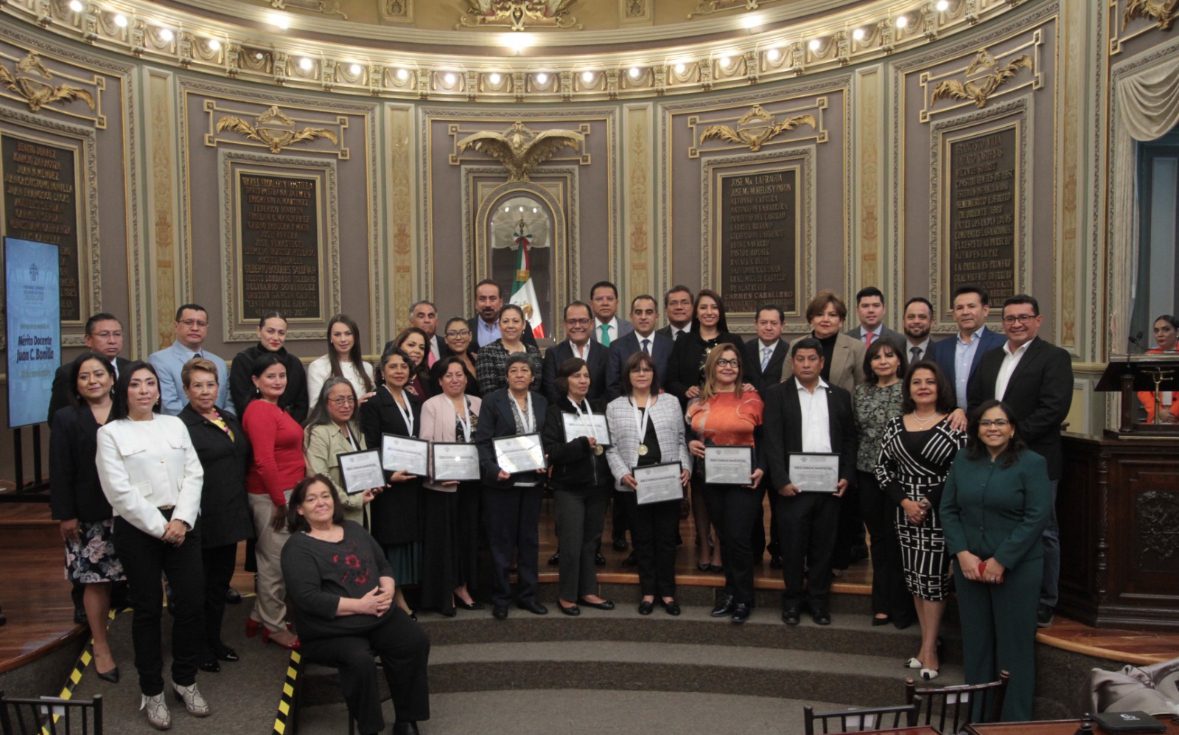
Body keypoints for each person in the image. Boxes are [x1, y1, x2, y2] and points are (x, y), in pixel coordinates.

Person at [95, 362, 208, 729]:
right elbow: (119, 492)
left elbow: (194, 473)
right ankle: (152, 690)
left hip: (183, 523)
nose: (144, 390)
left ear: (159, 390)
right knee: (147, 610)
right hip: (139, 529)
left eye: (150, 383)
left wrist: (182, 520)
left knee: (191, 603)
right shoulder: (110, 433)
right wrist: (162, 528)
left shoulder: (175, 424)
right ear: (123, 390)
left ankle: (185, 679)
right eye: (136, 384)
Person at [281, 475, 430, 735]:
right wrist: (361, 606)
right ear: (299, 509)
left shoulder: (353, 529)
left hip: (377, 615)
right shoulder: (297, 547)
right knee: (359, 661)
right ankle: (370, 728)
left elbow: (382, 565)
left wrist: (388, 589)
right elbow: (308, 598)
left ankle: (407, 718)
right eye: (311, 499)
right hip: (330, 630)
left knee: (414, 640)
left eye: (325, 496)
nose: (321, 502)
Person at [941, 400, 1052, 721]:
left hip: (1017, 570)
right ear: (977, 429)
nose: (993, 428)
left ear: (1012, 429)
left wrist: (1001, 560)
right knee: (976, 646)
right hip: (969, 568)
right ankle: (978, 720)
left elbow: (1037, 516)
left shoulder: (1032, 463)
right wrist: (961, 553)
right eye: (986, 423)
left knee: (1014, 649)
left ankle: (1014, 723)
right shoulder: (963, 460)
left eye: (1000, 422)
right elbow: (948, 509)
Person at [968, 294, 1073, 628]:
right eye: (1010, 318)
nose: (1016, 324)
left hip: (1035, 458)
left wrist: (1007, 438)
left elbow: (1053, 409)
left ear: (1038, 321)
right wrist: (991, 439)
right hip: (990, 459)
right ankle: (1000, 588)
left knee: (1043, 530)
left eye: (1023, 317)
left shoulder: (1054, 358)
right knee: (997, 525)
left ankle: (1044, 600)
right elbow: (976, 402)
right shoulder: (989, 359)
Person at [874, 361, 967, 681]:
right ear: (909, 389)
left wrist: (925, 502)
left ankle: (929, 650)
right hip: (905, 512)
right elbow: (883, 469)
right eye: (917, 382)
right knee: (915, 579)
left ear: (940, 387)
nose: (923, 387)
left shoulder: (954, 424)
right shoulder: (894, 424)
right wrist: (905, 502)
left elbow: (959, 471)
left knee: (933, 580)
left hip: (939, 512)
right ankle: (927, 643)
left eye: (930, 381)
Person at [762, 338, 857, 627]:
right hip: (792, 488)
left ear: (821, 362)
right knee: (792, 547)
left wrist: (846, 475)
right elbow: (772, 440)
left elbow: (849, 439)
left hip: (829, 487)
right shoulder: (777, 394)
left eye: (811, 359)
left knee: (823, 547)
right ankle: (792, 600)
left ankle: (818, 601)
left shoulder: (840, 396)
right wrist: (780, 480)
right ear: (792, 363)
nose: (806, 364)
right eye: (800, 359)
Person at [50, 352, 125, 683]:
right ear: (76, 384)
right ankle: (101, 646)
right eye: (84, 376)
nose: (93, 381)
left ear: (112, 378)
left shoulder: (128, 411)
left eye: (99, 374)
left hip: (131, 512)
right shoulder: (66, 418)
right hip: (88, 514)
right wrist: (65, 515)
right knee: (96, 582)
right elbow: (60, 469)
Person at [178, 357, 254, 674]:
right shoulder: (181, 426)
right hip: (201, 519)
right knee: (198, 589)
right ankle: (197, 647)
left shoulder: (228, 418)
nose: (205, 391)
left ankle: (214, 640)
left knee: (219, 586)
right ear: (186, 389)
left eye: (210, 384)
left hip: (230, 516)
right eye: (198, 385)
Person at [605, 352, 692, 615]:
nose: (642, 374)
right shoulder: (615, 406)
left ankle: (667, 593)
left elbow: (681, 440)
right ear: (628, 375)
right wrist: (622, 474)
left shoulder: (671, 402)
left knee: (666, 539)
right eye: (636, 370)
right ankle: (648, 592)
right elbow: (611, 448)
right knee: (642, 539)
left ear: (654, 374)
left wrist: (686, 467)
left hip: (667, 481)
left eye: (646, 369)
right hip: (634, 484)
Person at [665, 288, 743, 572]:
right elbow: (670, 379)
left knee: (723, 485)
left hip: (728, 421)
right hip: (695, 421)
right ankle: (703, 543)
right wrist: (684, 389)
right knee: (699, 486)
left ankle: (720, 545)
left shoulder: (733, 341)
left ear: (720, 312)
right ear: (696, 312)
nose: (709, 312)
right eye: (703, 307)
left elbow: (745, 376)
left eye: (714, 307)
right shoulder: (684, 341)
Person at [686, 346, 765, 624]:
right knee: (724, 536)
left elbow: (766, 437)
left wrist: (762, 467)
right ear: (711, 366)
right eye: (722, 362)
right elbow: (688, 433)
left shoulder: (752, 397)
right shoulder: (697, 400)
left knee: (739, 538)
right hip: (711, 477)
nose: (728, 367)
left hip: (745, 478)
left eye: (733, 362)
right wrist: (690, 443)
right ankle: (730, 593)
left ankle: (744, 598)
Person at [474, 353, 549, 620]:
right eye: (514, 370)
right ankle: (501, 597)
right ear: (506, 376)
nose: (519, 374)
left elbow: (545, 438)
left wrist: (545, 460)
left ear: (532, 376)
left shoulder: (541, 401)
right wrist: (494, 470)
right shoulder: (492, 401)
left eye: (524, 370)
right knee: (501, 542)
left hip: (532, 482)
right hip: (502, 482)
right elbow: (483, 441)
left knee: (529, 541)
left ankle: (528, 596)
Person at [542, 358, 615, 616]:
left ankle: (588, 591)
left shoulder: (598, 408)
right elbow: (551, 451)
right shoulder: (555, 411)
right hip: (569, 487)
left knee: (591, 542)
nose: (583, 380)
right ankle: (567, 595)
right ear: (565, 381)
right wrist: (581, 445)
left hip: (598, 486)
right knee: (571, 543)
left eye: (586, 375)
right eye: (576, 376)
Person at [241, 353, 305, 651]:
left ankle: (259, 616)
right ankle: (275, 627)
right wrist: (280, 502)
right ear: (256, 380)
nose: (278, 381)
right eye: (270, 376)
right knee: (274, 564)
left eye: (281, 375)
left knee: (277, 557)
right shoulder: (259, 411)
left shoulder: (274, 408)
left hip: (287, 493)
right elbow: (264, 461)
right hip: (272, 496)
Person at [852, 340, 913, 629]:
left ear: (899, 360)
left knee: (899, 540)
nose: (883, 361)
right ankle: (881, 604)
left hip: (902, 476)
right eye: (876, 357)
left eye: (889, 356)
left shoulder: (910, 390)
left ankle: (901, 605)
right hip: (868, 474)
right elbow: (855, 431)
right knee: (877, 539)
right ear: (870, 364)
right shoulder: (860, 391)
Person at [360, 349, 424, 618]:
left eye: (403, 366)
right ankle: (395, 597)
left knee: (409, 540)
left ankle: (405, 591)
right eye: (393, 366)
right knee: (392, 541)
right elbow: (370, 445)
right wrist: (387, 476)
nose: (399, 371)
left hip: (414, 482)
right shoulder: (374, 403)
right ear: (383, 372)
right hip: (390, 486)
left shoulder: (415, 400)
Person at [419, 357, 484, 614]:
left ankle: (464, 585)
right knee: (446, 540)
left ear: (467, 378)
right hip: (444, 484)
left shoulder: (478, 403)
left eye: (459, 374)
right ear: (440, 381)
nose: (455, 379)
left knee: (468, 537)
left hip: (473, 484)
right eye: (449, 375)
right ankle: (445, 591)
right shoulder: (431, 405)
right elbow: (426, 444)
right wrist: (436, 475)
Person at [304, 378, 378, 527]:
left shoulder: (355, 427)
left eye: (350, 399)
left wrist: (375, 481)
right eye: (339, 400)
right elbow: (320, 477)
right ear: (325, 402)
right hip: (336, 514)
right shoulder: (317, 432)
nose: (346, 405)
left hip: (363, 510)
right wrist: (352, 500)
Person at [930, 285, 1005, 410]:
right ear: (954, 315)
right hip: (950, 418)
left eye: (971, 306)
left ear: (985, 310)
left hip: (987, 418)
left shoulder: (1002, 344)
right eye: (959, 308)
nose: (965, 312)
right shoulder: (940, 349)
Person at [150, 304, 233, 416]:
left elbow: (230, 403)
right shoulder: (159, 361)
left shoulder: (219, 363)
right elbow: (169, 406)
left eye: (201, 324)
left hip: (221, 424)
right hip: (182, 425)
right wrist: (206, 422)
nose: (195, 328)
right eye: (188, 322)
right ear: (176, 326)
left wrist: (223, 421)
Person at [49, 313, 131, 422]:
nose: (112, 340)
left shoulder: (130, 369)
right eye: (104, 335)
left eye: (117, 334)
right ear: (88, 340)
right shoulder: (68, 373)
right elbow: (57, 419)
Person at [230, 311, 309, 423]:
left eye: (281, 333)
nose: (276, 337)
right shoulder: (243, 361)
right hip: (254, 425)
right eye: (270, 331)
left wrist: (287, 427)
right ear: (259, 331)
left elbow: (302, 405)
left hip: (290, 426)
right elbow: (241, 403)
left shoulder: (294, 363)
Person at [606, 294, 674, 401]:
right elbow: (612, 386)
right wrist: (627, 406)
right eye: (638, 312)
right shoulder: (617, 347)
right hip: (626, 407)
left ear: (657, 316)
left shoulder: (670, 345)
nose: (643, 317)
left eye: (649, 312)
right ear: (631, 316)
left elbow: (673, 383)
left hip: (663, 406)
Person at [542, 301, 608, 404]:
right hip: (563, 412)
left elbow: (608, 389)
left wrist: (589, 409)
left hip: (598, 411)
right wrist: (572, 409)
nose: (577, 326)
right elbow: (550, 390)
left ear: (591, 324)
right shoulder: (553, 354)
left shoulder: (605, 353)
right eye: (572, 321)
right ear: (565, 324)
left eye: (583, 321)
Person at [306, 314, 376, 410]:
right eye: (337, 334)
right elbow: (315, 405)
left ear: (355, 337)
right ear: (330, 338)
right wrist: (355, 404)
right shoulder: (317, 366)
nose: (343, 339)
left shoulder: (367, 367)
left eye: (348, 334)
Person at [475, 303, 543, 395]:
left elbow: (537, 386)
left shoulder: (533, 352)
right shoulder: (487, 352)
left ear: (523, 325)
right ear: (499, 325)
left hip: (532, 403)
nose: (510, 325)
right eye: (505, 321)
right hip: (498, 403)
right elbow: (488, 391)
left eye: (515, 321)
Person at [808, 290, 865, 396]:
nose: (825, 319)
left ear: (841, 321)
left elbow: (862, 388)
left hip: (842, 406)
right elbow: (786, 383)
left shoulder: (856, 347)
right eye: (819, 314)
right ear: (811, 319)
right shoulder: (796, 345)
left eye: (832, 315)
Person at [469, 279, 539, 350]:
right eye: (482, 299)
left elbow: (534, 354)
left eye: (492, 299)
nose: (488, 304)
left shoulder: (521, 326)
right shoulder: (467, 328)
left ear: (501, 302)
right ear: (475, 303)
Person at [1137, 314, 1179, 423]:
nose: (1160, 334)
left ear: (1177, 332)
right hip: (1156, 417)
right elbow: (1143, 390)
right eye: (1156, 330)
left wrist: (1173, 412)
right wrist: (1157, 411)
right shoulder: (1150, 355)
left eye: (1166, 329)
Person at [742, 305, 790, 392]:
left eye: (774, 323)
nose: (768, 328)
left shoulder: (789, 352)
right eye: (763, 323)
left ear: (782, 326)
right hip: (749, 399)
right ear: (756, 324)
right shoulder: (744, 349)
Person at [848, 286, 906, 354]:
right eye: (865, 306)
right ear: (857, 310)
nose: (871, 310)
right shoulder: (846, 340)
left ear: (884, 309)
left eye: (876, 305)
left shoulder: (899, 340)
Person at [440, 316, 481, 395]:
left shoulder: (477, 360)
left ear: (470, 336)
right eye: (452, 334)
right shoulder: (440, 366)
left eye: (463, 333)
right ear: (445, 339)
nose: (458, 337)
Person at [389, 327, 433, 398]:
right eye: (411, 345)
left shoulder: (429, 379)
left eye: (422, 348)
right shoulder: (388, 376)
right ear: (399, 347)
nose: (417, 351)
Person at [589, 280, 634, 346]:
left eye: (610, 299)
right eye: (599, 299)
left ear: (617, 303)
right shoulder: (583, 329)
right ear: (591, 304)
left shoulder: (631, 329)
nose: (605, 303)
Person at [901, 297, 937, 365]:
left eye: (922, 317)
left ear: (931, 322)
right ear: (903, 322)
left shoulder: (941, 353)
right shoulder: (894, 351)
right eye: (911, 317)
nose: (916, 321)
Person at [409, 300, 442, 366]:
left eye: (431, 316)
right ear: (411, 322)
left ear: (437, 322)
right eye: (421, 316)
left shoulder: (448, 345)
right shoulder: (396, 346)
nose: (427, 320)